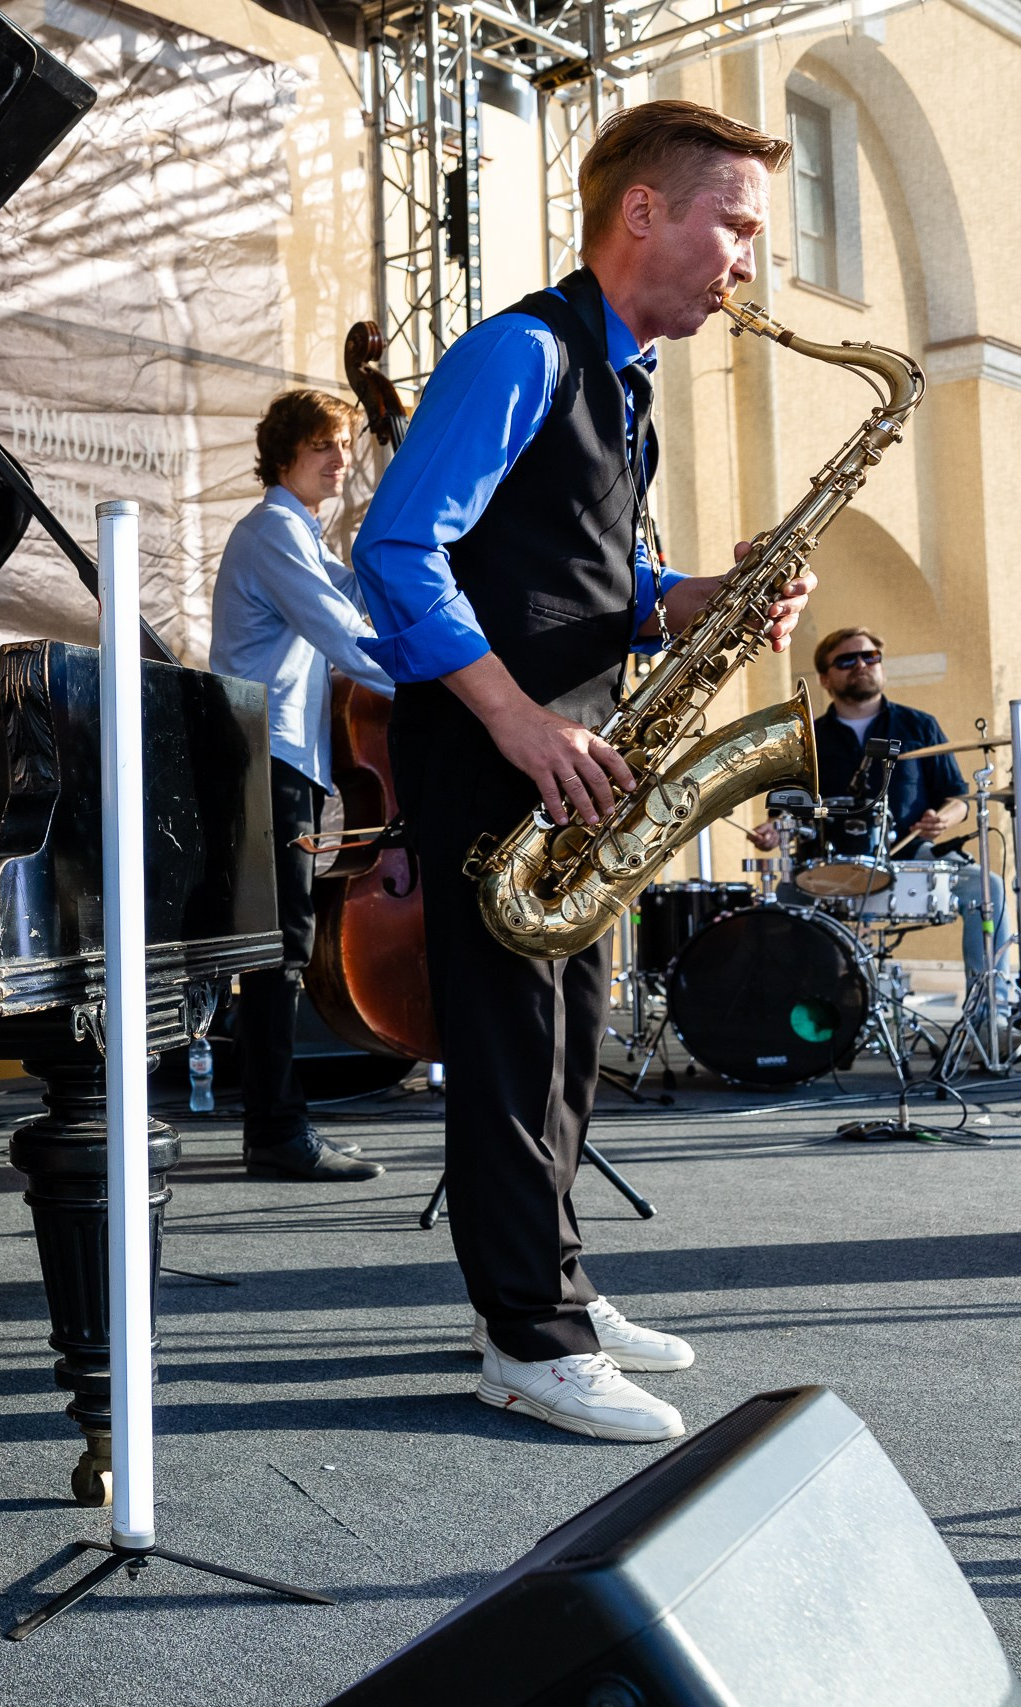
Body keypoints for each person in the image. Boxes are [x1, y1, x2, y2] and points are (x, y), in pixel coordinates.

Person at [351, 101, 814, 1444]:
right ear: (644, 213)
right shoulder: (519, 353)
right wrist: (518, 721)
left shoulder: (625, 386)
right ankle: (525, 1335)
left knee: (565, 1045)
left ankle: (554, 1283)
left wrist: (696, 599)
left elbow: (583, 576)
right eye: (735, 225)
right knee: (502, 1049)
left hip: (578, 762)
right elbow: (397, 553)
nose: (747, 260)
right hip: (509, 753)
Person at [209, 390, 394, 1182]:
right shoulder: (274, 532)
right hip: (265, 757)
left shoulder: (303, 536)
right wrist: (452, 686)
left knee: (277, 948)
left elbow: (358, 600)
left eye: (346, 445)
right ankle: (277, 1133)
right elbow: (345, 637)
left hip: (285, 759)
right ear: (283, 453)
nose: (340, 458)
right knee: (276, 952)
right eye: (324, 444)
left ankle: (277, 1127)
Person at [750, 627, 1012, 991]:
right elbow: (785, 813)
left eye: (870, 657)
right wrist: (772, 831)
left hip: (905, 857)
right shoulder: (806, 739)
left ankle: (990, 1012)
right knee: (777, 906)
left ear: (882, 668)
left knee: (986, 888)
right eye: (846, 660)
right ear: (825, 678)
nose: (861, 664)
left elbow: (958, 799)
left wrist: (942, 818)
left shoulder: (920, 726)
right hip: (825, 866)